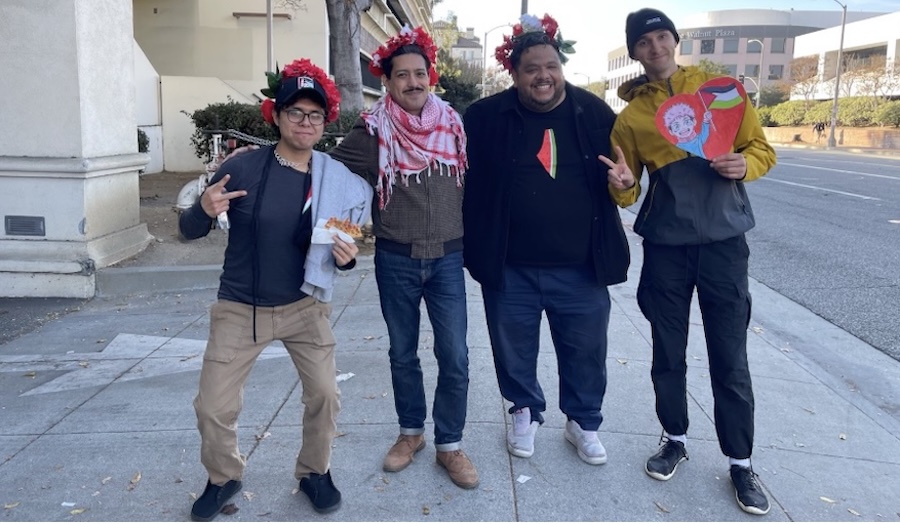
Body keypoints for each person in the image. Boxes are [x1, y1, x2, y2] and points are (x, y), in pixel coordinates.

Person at [179, 59, 372, 520]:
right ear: (277, 116)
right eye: (295, 112)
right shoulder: (242, 168)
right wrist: (203, 210)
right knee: (212, 407)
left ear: (324, 123)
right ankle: (223, 477)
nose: (305, 123)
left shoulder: (336, 180)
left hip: (305, 305)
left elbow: (341, 246)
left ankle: (314, 472)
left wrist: (348, 258)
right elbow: (189, 230)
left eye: (314, 115)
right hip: (240, 306)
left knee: (325, 394)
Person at [602, 8, 777, 516]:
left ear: (675, 41)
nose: (655, 47)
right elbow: (628, 187)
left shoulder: (720, 92)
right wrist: (622, 185)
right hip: (667, 247)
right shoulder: (632, 117)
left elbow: (760, 149)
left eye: (662, 37)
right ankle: (673, 436)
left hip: (724, 243)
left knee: (729, 354)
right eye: (644, 41)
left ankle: (741, 461)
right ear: (634, 51)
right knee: (667, 350)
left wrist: (746, 163)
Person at [463, 13, 630, 465]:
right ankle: (525, 412)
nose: (543, 76)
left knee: (586, 350)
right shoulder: (482, 117)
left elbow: (624, 184)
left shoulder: (594, 113)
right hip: (509, 265)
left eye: (550, 66)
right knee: (512, 347)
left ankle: (583, 422)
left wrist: (623, 185)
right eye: (532, 68)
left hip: (581, 266)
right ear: (514, 73)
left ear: (562, 67)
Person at [328, 26, 478, 489]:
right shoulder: (370, 132)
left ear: (430, 76)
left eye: (420, 73)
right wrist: (343, 242)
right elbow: (335, 182)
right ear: (388, 82)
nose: (413, 82)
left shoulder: (454, 124)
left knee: (455, 356)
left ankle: (449, 445)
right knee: (402, 354)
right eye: (403, 76)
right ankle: (410, 434)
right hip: (396, 260)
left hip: (449, 260)